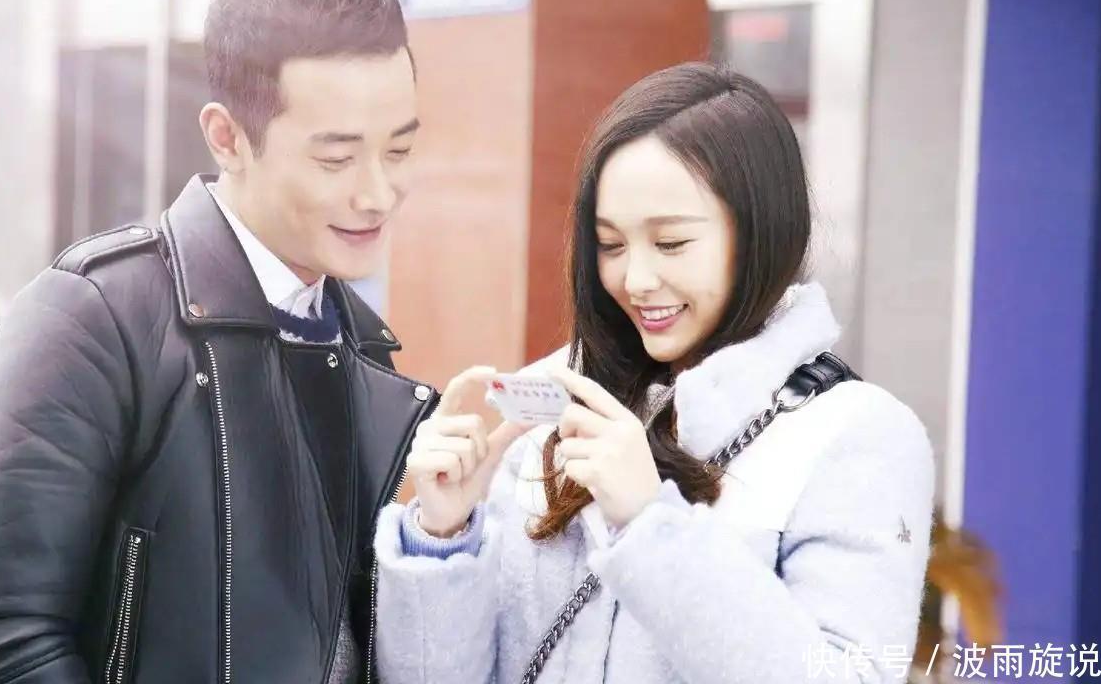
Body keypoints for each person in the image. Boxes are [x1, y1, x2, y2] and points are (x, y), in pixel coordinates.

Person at [0, 0, 436, 682]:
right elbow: (3, 646)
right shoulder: (94, 318)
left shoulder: (361, 348)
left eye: (398, 150)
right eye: (336, 157)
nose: (378, 193)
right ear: (227, 138)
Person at [374, 63, 935, 683]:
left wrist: (649, 524)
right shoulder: (553, 408)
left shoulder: (856, 436)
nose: (636, 279)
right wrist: (444, 534)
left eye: (671, 244)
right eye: (611, 245)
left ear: (760, 233)